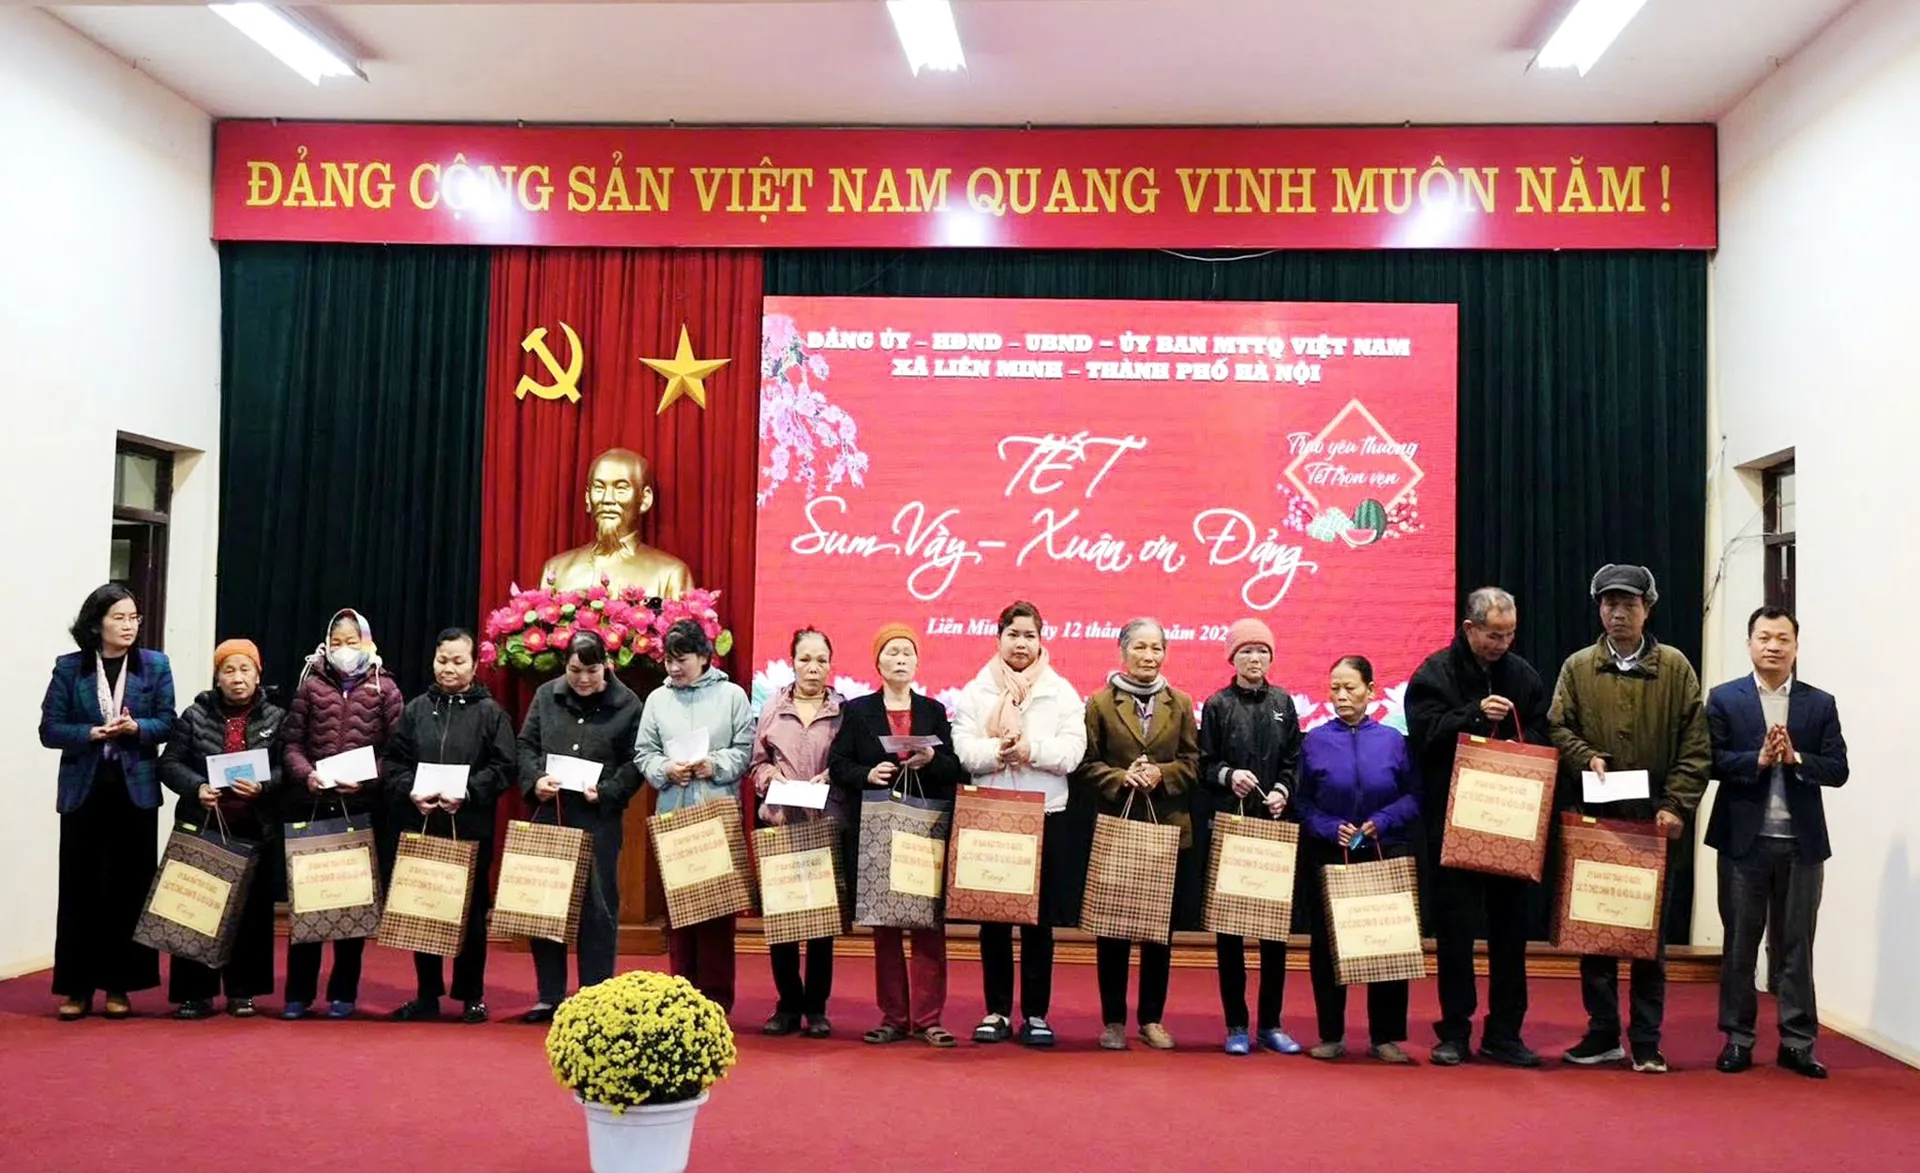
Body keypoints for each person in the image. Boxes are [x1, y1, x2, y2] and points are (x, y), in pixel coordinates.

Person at [1549, 564, 1710, 1074]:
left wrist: (1675, 805)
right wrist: (1585, 756)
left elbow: (1696, 745)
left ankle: (1645, 1040)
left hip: (1653, 827)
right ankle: (1602, 1034)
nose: (1618, 613)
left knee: (1647, 941)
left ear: (1648, 608)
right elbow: (1557, 727)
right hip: (1596, 824)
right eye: (1609, 604)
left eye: (1629, 604)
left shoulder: (1676, 668)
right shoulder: (1578, 667)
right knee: (1594, 936)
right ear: (1599, 609)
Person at [1404, 587, 1553, 1068]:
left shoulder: (1523, 676)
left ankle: (1505, 1032)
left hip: (1511, 825)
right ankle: (1454, 1031)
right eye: (1493, 635)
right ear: (1469, 628)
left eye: (1509, 635)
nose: (1502, 644)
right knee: (1456, 933)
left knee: (1512, 933)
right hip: (1453, 826)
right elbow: (1422, 738)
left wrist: (1514, 735)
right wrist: (1471, 716)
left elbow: (1544, 737)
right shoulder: (1433, 674)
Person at [1707, 606, 1848, 1080]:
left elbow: (1839, 769)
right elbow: (1711, 761)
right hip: (1743, 843)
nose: (1773, 646)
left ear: (1796, 646)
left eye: (1783, 638)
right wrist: (1760, 759)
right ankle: (1737, 1038)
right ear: (1749, 643)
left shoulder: (1819, 703)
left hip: (1801, 845)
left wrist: (1796, 757)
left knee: (1796, 947)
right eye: (1764, 637)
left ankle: (1797, 1043)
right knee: (1740, 945)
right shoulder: (1725, 699)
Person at [952, 600, 1087, 1048]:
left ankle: (1035, 1014)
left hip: (1044, 814)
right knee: (993, 921)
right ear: (999, 638)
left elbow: (1073, 752)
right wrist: (999, 750)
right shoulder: (977, 690)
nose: (1021, 643)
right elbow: (963, 749)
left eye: (1029, 635)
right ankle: (995, 1011)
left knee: (1038, 923)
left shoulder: (1060, 691)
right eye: (1013, 634)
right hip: (991, 814)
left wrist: (1031, 750)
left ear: (1041, 640)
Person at [828, 623, 968, 1048]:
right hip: (876, 826)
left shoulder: (933, 710)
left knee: (928, 925)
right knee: (885, 926)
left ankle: (929, 1018)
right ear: (878, 662)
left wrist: (932, 758)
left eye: (908, 652)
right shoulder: (858, 710)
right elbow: (839, 764)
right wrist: (868, 773)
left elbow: (955, 768)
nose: (901, 659)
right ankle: (893, 1016)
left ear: (918, 662)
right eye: (892, 652)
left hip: (925, 827)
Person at [39, 585, 175, 1021]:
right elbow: (50, 729)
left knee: (128, 890)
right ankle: (76, 989)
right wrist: (91, 733)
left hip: (134, 792)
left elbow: (167, 722)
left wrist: (137, 728)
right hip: (85, 791)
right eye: (119, 617)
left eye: (134, 617)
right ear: (96, 623)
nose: (129, 625)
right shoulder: (70, 667)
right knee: (80, 890)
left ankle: (120, 987)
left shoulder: (155, 665)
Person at [1075, 618, 1200, 1052]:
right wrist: (1120, 777)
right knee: (1112, 931)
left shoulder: (1180, 703)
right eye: (1140, 648)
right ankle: (1113, 1021)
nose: (1149, 656)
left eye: (1156, 648)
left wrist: (1161, 774)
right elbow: (1085, 764)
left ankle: (1151, 1019)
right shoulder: (1099, 703)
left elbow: (1193, 763)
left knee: (1157, 933)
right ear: (1122, 651)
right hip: (1118, 827)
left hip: (1167, 830)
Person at [383, 628, 518, 1024]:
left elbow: (504, 767)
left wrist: (469, 792)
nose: (449, 668)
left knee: (470, 915)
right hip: (422, 822)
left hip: (469, 827)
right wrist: (411, 791)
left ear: (474, 666)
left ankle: (471, 995)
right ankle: (427, 994)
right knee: (423, 909)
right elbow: (393, 763)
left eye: (459, 661)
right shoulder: (415, 710)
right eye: (443, 660)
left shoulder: (491, 713)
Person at [279, 608, 405, 1020]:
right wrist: (308, 775)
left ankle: (343, 993)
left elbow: (398, 752)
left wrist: (368, 779)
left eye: (352, 642)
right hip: (314, 805)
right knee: (310, 901)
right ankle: (298, 994)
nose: (345, 650)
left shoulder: (385, 689)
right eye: (337, 642)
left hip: (362, 807)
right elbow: (291, 744)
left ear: (367, 643)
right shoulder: (311, 685)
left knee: (352, 904)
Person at [1296, 655, 1423, 1064]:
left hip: (1385, 849)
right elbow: (1302, 802)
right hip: (1331, 854)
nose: (1341, 695)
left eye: (1350, 687)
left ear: (1371, 690)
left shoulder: (1393, 740)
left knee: (1387, 941)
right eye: (1334, 688)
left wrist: (1383, 821)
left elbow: (1415, 796)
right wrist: (1328, 826)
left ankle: (1385, 1036)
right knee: (1327, 947)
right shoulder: (1314, 741)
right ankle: (1331, 1034)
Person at [518, 632, 644, 1023]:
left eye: (591, 671)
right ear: (565, 666)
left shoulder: (628, 704)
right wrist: (535, 780)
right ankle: (549, 995)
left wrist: (608, 791)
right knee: (545, 903)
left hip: (597, 817)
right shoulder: (546, 696)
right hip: (551, 811)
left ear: (607, 666)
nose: (583, 679)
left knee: (598, 907)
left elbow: (636, 761)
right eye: (575, 670)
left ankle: (595, 995)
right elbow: (525, 746)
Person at [157, 638, 283, 1019]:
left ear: (258, 674)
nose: (237, 678)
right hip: (204, 825)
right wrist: (197, 787)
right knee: (196, 910)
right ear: (217, 676)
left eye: (245, 669)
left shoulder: (277, 718)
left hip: (254, 827)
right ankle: (195, 993)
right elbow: (169, 764)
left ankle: (243, 991)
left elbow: (287, 768)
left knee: (251, 915)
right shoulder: (194, 716)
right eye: (229, 670)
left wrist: (264, 787)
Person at [1198, 617, 1305, 1056]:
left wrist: (1283, 790)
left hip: (1274, 831)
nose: (1255, 658)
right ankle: (1237, 1025)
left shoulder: (1284, 702)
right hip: (1232, 828)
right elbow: (1204, 765)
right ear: (1232, 657)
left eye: (1262, 650)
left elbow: (1295, 760)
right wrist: (1228, 775)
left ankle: (1272, 1024)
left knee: (1274, 935)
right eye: (1246, 650)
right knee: (1230, 934)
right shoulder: (1217, 704)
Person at [637, 618, 755, 1014]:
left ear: (704, 657)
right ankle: (682, 996)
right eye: (668, 660)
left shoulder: (732, 696)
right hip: (674, 814)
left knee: (718, 912)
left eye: (682, 660)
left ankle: (717, 1000)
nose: (674, 668)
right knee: (679, 911)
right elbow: (644, 753)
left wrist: (714, 765)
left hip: (716, 814)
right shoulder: (657, 700)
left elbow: (745, 750)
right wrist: (664, 770)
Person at [746, 628, 845, 1037]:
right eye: (805, 659)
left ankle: (816, 1008)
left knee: (822, 923)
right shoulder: (772, 707)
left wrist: (832, 775)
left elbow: (850, 763)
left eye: (821, 659)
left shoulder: (843, 711)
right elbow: (756, 764)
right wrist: (771, 778)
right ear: (792, 662)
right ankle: (787, 1005)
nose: (813, 667)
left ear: (830, 664)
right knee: (783, 919)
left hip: (824, 823)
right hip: (782, 821)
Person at [539, 447, 694, 598]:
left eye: (621, 489)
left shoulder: (670, 574)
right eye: (599, 488)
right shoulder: (556, 570)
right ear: (588, 498)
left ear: (644, 499)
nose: (607, 499)